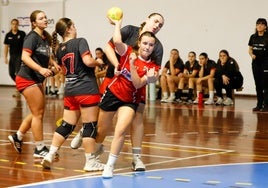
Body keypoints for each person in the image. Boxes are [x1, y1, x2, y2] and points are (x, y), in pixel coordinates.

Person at [70, 13, 164, 172]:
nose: (157, 25)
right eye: (155, 21)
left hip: (136, 87)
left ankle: (136, 158)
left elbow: (151, 75)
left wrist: (151, 78)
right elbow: (110, 47)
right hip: (115, 79)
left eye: (161, 25)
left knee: (136, 118)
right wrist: (117, 65)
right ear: (147, 19)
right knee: (102, 121)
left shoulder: (158, 47)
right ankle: (87, 132)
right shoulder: (129, 32)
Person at [41, 17, 105, 171]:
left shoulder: (59, 49)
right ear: (69, 28)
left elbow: (63, 71)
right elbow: (88, 61)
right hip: (86, 89)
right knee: (89, 125)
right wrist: (99, 61)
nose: (76, 28)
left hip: (70, 90)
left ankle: (50, 154)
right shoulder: (80, 41)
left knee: (66, 125)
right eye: (74, 26)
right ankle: (90, 162)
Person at [100, 15, 160, 178]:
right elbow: (116, 41)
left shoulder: (151, 65)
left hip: (130, 100)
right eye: (145, 43)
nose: (148, 47)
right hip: (113, 93)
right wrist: (118, 23)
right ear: (139, 43)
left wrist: (135, 68)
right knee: (101, 129)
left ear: (154, 47)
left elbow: (138, 83)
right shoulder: (127, 51)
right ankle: (92, 138)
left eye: (151, 45)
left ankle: (109, 166)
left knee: (121, 129)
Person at [8, 10, 60, 157]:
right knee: (38, 114)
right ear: (34, 23)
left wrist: (53, 63)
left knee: (37, 112)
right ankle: (39, 148)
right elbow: (25, 57)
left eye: (45, 17)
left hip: (35, 79)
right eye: (41, 18)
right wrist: (40, 69)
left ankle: (17, 136)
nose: (45, 20)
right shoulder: (32, 37)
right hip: (26, 78)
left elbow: (42, 55)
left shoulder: (43, 38)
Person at [248, 18, 268, 112]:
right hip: (256, 63)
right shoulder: (253, 37)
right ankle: (259, 104)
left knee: (266, 84)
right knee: (258, 84)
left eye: (261, 24)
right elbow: (250, 49)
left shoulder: (267, 37)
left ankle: (266, 105)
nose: (259, 26)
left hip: (266, 63)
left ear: (265, 26)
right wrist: (252, 55)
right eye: (258, 24)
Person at [3, 18, 26, 97]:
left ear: (18, 25)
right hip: (12, 56)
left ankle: (18, 88)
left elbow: (26, 46)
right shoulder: (8, 35)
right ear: (11, 25)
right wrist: (5, 57)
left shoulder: (22, 34)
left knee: (17, 72)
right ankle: (20, 85)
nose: (14, 25)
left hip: (19, 56)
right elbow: (6, 47)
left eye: (16, 24)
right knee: (11, 73)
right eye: (13, 24)